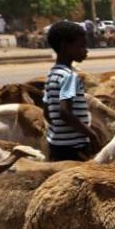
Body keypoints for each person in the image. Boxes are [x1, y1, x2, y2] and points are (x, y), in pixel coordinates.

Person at [43, 21, 100, 161]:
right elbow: (65, 112)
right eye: (81, 46)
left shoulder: (53, 74)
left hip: (56, 145)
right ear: (64, 45)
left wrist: (59, 131)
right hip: (74, 148)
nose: (85, 50)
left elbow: (47, 111)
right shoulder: (69, 76)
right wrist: (92, 135)